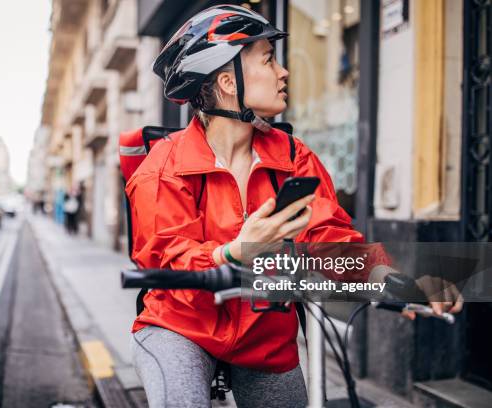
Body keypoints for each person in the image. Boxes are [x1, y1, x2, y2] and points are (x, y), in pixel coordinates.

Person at [126, 6, 461, 408]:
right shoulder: (164, 166)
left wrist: (396, 282)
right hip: (181, 326)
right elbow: (166, 267)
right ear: (229, 81)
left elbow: (329, 240)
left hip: (262, 331)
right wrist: (232, 254)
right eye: (268, 59)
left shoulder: (292, 157)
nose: (283, 72)